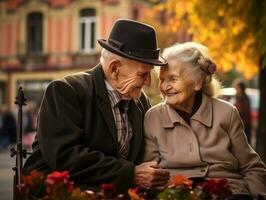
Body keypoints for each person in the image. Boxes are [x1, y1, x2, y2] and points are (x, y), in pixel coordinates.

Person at [23, 19, 170, 193]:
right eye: (143, 74)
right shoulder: (66, 90)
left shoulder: (139, 100)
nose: (148, 82)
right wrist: (129, 174)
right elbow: (64, 155)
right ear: (114, 68)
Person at [143, 42, 266, 199]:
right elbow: (149, 173)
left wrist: (258, 196)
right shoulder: (153, 118)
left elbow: (251, 166)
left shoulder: (226, 113)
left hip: (228, 193)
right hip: (176, 194)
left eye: (173, 79)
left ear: (197, 82)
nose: (165, 86)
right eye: (162, 79)